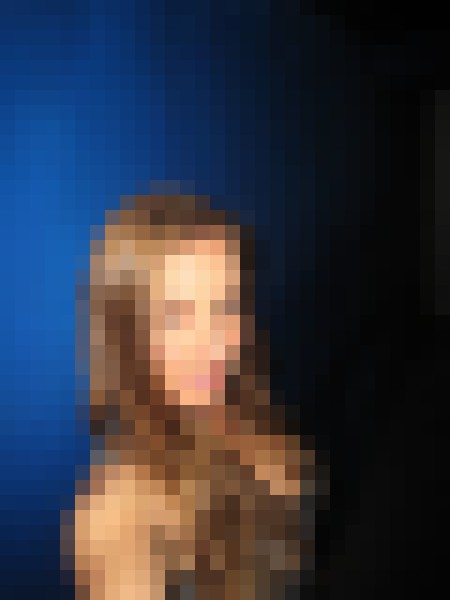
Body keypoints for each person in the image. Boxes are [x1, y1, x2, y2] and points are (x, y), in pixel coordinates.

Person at [66, 194, 312, 599]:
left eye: (226, 305)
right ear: (125, 331)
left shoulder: (240, 402)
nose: (213, 345)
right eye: (175, 315)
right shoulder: (119, 519)